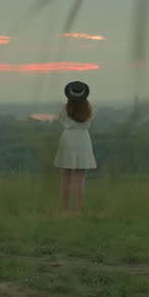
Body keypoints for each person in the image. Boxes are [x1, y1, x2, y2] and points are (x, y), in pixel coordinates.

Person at [53, 80, 96, 214]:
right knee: (80, 179)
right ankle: (78, 211)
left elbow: (62, 121)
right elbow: (90, 120)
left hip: (68, 139)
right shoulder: (89, 108)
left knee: (65, 177)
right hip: (83, 139)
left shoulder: (64, 108)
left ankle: (65, 209)